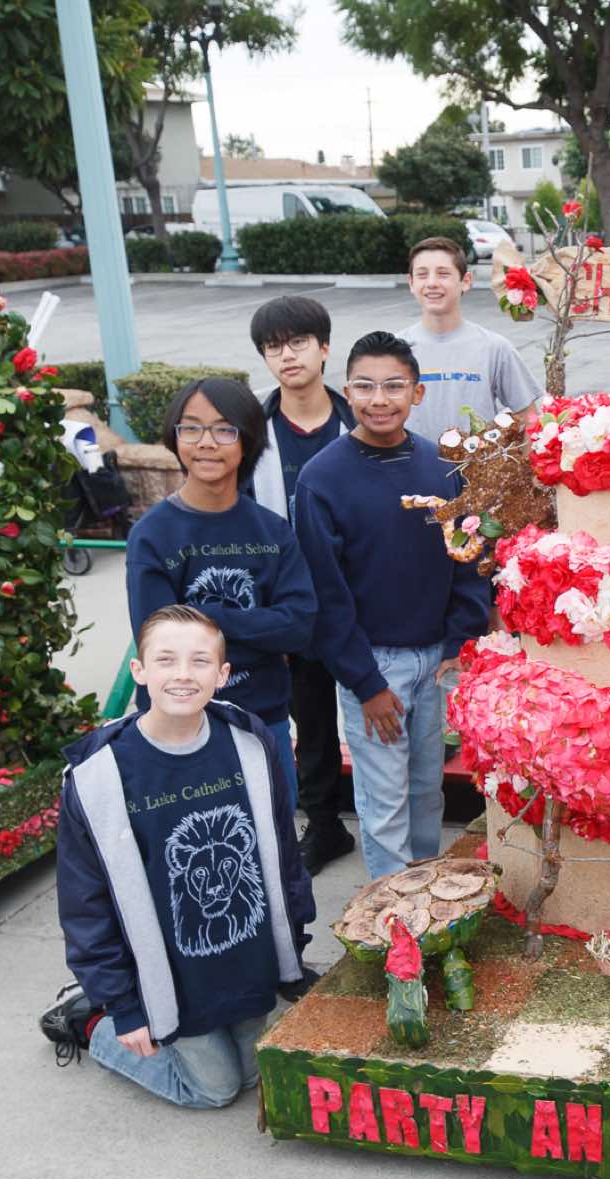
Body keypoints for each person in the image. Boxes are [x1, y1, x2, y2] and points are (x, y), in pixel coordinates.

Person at [40, 606, 316, 1108]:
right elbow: (84, 902)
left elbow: (282, 853)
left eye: (200, 661)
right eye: (166, 660)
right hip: (167, 975)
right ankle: (90, 1019)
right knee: (215, 1089)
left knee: (253, 1076)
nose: (183, 674)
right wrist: (123, 1004)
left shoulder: (250, 743)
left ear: (222, 673)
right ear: (139, 671)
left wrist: (292, 945)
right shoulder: (98, 775)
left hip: (243, 958)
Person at [294, 330, 493, 878]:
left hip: (437, 659)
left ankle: (426, 893)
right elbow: (324, 592)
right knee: (383, 800)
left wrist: (459, 642)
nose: (379, 399)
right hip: (373, 664)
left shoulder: (443, 467)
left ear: (417, 393)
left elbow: (468, 560)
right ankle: (390, 911)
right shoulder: (322, 479)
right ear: (347, 393)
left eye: (393, 386)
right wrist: (366, 683)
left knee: (426, 789)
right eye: (365, 386)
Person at [125, 377, 316, 793]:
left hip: (263, 721)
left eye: (224, 429)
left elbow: (298, 627)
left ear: (248, 440)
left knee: (273, 829)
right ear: (175, 437)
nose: (206, 442)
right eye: (191, 428)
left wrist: (205, 618)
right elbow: (159, 641)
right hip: (178, 726)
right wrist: (261, 628)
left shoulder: (273, 531)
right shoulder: (153, 535)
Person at [247, 295, 359, 871]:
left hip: (360, 598)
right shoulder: (252, 432)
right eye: (274, 347)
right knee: (309, 722)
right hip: (291, 603)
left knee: (374, 714)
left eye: (298, 342)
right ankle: (325, 826)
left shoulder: (359, 420)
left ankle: (387, 823)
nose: (287, 355)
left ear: (324, 348)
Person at [401, 237, 543, 441]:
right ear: (411, 283)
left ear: (466, 281)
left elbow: (529, 419)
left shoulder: (494, 348)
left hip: (477, 462)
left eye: (443, 274)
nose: (432, 283)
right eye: (422, 275)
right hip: (412, 463)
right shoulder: (394, 349)